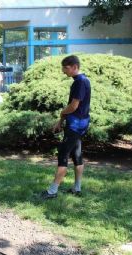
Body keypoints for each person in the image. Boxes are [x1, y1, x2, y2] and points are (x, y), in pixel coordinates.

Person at [41, 55, 91, 199]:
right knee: (77, 154)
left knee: (63, 155)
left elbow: (74, 106)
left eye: (66, 68)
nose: (63, 71)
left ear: (75, 67)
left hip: (75, 125)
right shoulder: (83, 80)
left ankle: (52, 192)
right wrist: (62, 119)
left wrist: (62, 113)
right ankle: (77, 188)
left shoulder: (80, 82)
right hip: (81, 124)